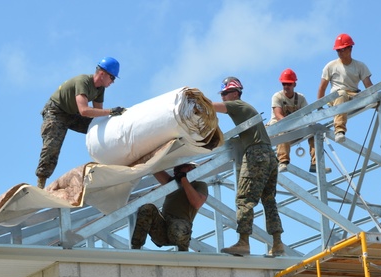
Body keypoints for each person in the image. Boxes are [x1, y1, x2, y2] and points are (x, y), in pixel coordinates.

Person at [212, 76, 285, 257]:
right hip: (269, 154)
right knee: (269, 200)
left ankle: (243, 242)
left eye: (225, 93)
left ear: (235, 93)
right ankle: (277, 243)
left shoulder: (237, 105)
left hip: (256, 154)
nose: (223, 97)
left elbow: (211, 107)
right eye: (222, 94)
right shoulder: (247, 109)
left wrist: (193, 100)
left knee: (244, 199)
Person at [35, 57, 125, 189]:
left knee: (97, 126)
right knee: (53, 145)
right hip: (56, 112)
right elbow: (84, 110)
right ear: (102, 74)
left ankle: (110, 160)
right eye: (112, 78)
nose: (113, 82)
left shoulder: (100, 89)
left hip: (72, 113)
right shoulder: (83, 82)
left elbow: (97, 114)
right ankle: (41, 182)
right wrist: (111, 111)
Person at [317, 33, 381, 150]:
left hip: (354, 95)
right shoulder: (331, 66)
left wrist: (377, 98)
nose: (340, 52)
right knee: (341, 94)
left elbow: (369, 86)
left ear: (350, 48)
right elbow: (322, 87)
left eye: (342, 49)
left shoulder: (360, 66)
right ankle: (339, 131)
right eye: (338, 50)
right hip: (336, 96)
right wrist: (319, 106)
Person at [131, 163, 209, 251]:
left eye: (179, 168)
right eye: (175, 170)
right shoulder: (172, 183)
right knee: (147, 209)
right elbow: (155, 168)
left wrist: (184, 179)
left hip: (179, 229)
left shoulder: (199, 185)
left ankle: (183, 250)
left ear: (190, 168)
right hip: (163, 228)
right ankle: (136, 247)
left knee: (178, 227)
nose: (175, 172)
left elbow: (197, 203)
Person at [270, 69, 326, 174]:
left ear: (294, 84)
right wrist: (291, 126)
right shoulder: (277, 97)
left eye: (289, 84)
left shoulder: (300, 98)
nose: (286, 86)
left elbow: (308, 115)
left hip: (295, 128)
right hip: (278, 129)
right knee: (282, 130)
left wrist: (308, 125)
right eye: (284, 84)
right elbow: (278, 115)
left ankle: (316, 163)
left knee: (313, 131)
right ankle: (283, 161)